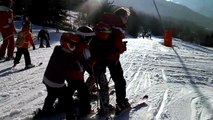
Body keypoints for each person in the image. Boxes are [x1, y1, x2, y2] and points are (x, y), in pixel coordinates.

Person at [34, 26, 95, 120]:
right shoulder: (69, 55)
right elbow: (77, 67)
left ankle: (47, 109)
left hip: (48, 79)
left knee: (52, 94)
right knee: (69, 96)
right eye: (72, 46)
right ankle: (71, 114)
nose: (74, 48)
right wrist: (89, 63)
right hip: (58, 82)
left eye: (74, 45)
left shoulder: (58, 49)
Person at [87, 7, 131, 116]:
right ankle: (121, 103)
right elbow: (117, 43)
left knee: (98, 75)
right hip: (111, 57)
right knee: (119, 80)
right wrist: (122, 48)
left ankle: (85, 91)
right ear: (121, 16)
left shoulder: (106, 20)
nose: (126, 20)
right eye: (126, 17)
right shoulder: (118, 25)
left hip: (99, 54)